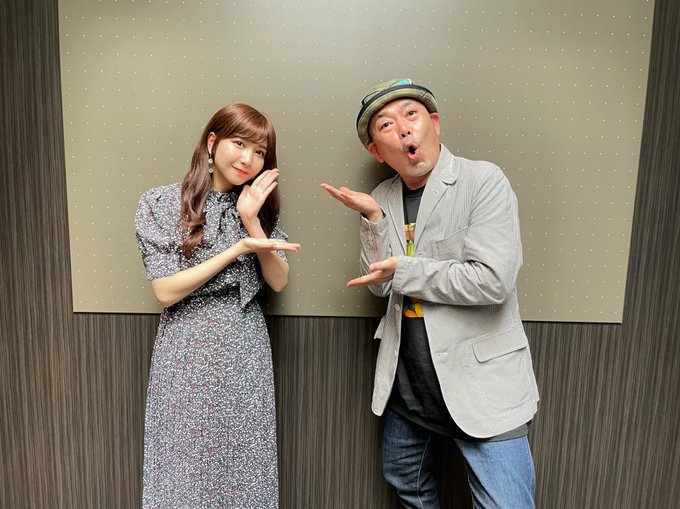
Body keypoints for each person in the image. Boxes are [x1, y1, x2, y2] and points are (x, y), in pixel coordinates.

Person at [322, 78, 540, 508]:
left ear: (434, 123)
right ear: (377, 150)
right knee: (408, 485)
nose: (403, 128)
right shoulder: (382, 195)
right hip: (409, 392)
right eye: (386, 125)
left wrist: (405, 270)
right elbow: (381, 285)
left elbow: (493, 280)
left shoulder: (483, 181)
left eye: (411, 115)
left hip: (481, 387)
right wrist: (372, 219)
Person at [135, 103, 300, 509]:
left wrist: (252, 222)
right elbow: (165, 291)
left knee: (245, 459)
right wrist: (237, 249)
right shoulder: (161, 202)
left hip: (246, 343)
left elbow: (278, 280)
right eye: (239, 144)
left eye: (259, 152)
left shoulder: (258, 208)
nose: (248, 158)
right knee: (185, 459)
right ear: (212, 142)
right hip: (187, 346)